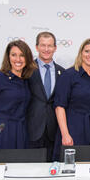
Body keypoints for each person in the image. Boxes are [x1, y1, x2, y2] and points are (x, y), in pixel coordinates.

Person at [52, 38, 90, 161]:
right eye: (87, 51)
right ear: (81, 53)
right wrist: (65, 134)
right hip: (73, 129)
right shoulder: (68, 75)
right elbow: (59, 107)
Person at [0, 40, 37, 149]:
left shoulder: (27, 81)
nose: (18, 59)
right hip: (2, 131)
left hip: (22, 133)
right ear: (8, 57)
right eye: (14, 55)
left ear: (27, 58)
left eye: (22, 55)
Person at [27, 32, 65, 162]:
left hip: (54, 131)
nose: (46, 49)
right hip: (31, 129)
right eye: (43, 45)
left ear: (55, 48)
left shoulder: (63, 72)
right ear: (37, 47)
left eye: (50, 46)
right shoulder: (26, 69)